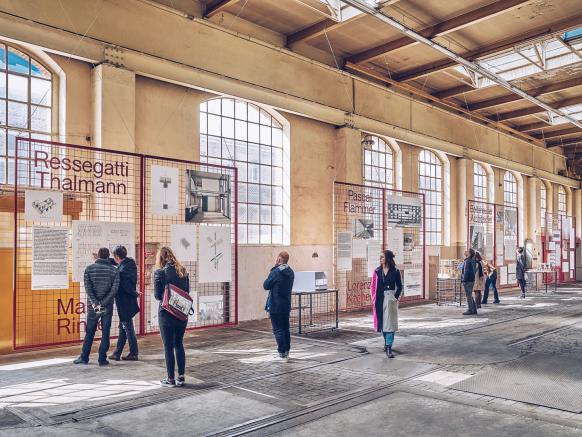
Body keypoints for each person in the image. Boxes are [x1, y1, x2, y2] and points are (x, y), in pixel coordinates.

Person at [74, 247, 119, 366]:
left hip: (93, 306)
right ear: (108, 257)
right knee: (105, 332)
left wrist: (95, 303)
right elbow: (114, 289)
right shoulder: (114, 271)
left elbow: (88, 288)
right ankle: (102, 359)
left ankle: (84, 357)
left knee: (90, 332)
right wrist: (103, 303)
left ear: (98, 256)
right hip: (107, 306)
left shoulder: (89, 269)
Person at [154, 247, 190, 387]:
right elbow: (186, 292)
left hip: (166, 314)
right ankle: (181, 377)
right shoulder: (183, 271)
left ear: (161, 259)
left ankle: (170, 380)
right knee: (179, 344)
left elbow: (158, 295)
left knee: (168, 347)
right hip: (182, 313)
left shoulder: (160, 272)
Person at [109, 246, 140, 361]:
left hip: (126, 302)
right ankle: (117, 353)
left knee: (127, 327)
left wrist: (135, 293)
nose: (113, 259)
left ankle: (134, 353)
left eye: (114, 257)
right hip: (125, 301)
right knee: (124, 327)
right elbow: (116, 262)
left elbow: (126, 285)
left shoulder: (123, 269)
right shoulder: (127, 263)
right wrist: (104, 259)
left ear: (117, 257)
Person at [370, 250, 402, 358]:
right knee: (382, 323)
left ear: (388, 258)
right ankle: (386, 342)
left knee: (390, 324)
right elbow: (373, 286)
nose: (380, 259)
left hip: (390, 299)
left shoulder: (395, 271)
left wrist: (395, 298)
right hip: (379, 299)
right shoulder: (377, 271)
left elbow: (400, 286)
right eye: (380, 257)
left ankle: (389, 346)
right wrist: (373, 297)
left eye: (382, 257)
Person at [263, 251, 294, 362]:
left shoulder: (276, 272)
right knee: (285, 329)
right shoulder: (290, 272)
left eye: (277, 259)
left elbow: (266, 285)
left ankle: (282, 354)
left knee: (278, 330)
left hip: (275, 305)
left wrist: (274, 267)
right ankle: (287, 352)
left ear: (279, 260)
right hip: (286, 305)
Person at [461, 248, 478, 315]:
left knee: (468, 296)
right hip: (471, 280)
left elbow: (466, 271)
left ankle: (470, 310)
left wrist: (464, 280)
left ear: (469, 253)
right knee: (470, 295)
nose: (465, 251)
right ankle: (474, 309)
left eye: (467, 251)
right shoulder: (472, 260)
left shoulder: (468, 261)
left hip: (468, 281)